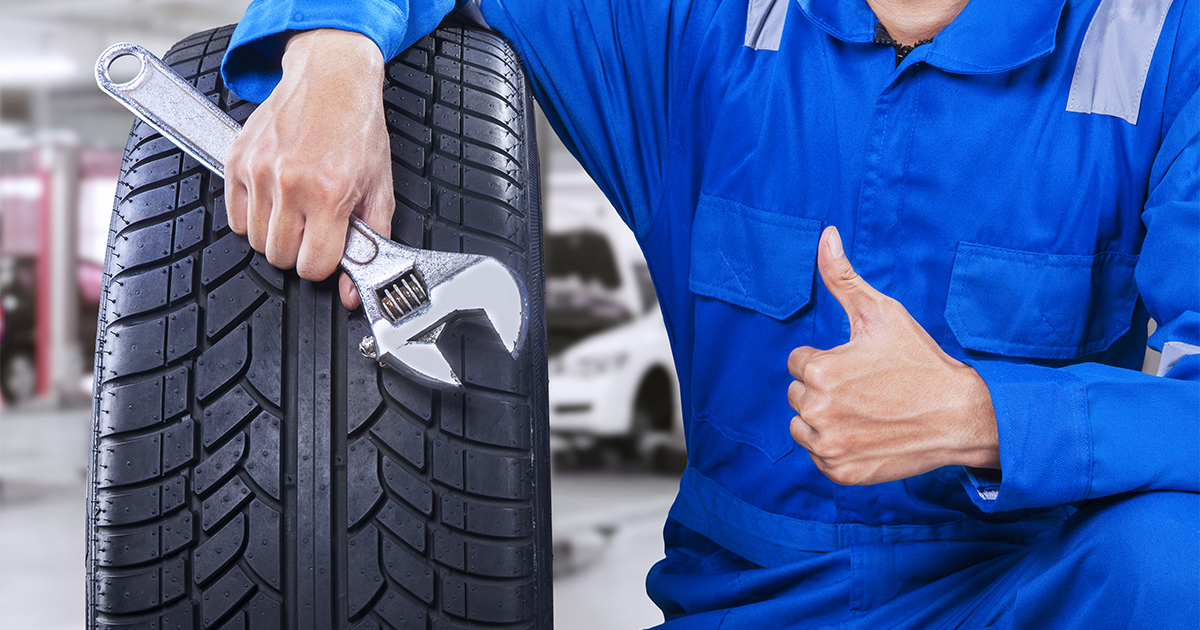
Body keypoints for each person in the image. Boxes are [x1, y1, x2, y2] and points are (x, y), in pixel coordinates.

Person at [221, 0, 1199, 626]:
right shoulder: (702, 26)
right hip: (746, 601)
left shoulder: (1163, 44)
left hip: (1025, 594)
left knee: (1174, 559)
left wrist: (984, 418)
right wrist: (331, 57)